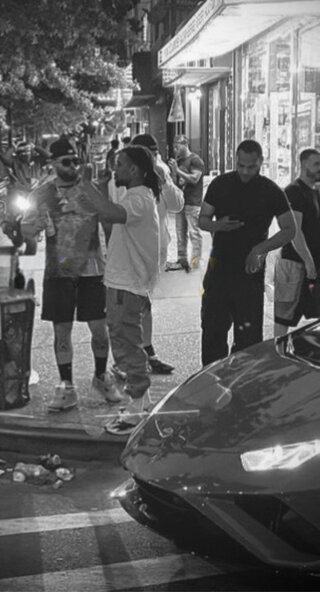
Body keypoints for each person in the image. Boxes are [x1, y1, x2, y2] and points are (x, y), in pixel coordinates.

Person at [21, 137, 120, 412]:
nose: (74, 166)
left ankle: (101, 376)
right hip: (59, 271)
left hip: (93, 269)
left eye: (77, 160)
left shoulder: (91, 189)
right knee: (61, 330)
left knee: (100, 330)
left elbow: (110, 220)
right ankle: (66, 386)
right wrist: (33, 228)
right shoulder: (40, 194)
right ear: (53, 163)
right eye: (67, 161)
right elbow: (26, 229)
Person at [78, 145, 161, 435]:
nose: (115, 169)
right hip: (121, 281)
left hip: (127, 284)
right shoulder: (135, 196)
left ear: (135, 170)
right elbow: (109, 220)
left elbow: (108, 212)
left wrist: (85, 183)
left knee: (126, 344)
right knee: (124, 340)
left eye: (120, 164)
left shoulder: (139, 198)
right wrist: (100, 187)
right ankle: (142, 402)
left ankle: (137, 406)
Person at [198, 139, 295, 365]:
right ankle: (211, 378)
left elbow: (290, 229)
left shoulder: (271, 191)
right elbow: (202, 220)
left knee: (248, 341)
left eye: (250, 167)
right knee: (212, 332)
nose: (244, 171)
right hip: (220, 268)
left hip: (250, 273)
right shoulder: (220, 184)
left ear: (260, 162)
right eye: (240, 165)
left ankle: (243, 380)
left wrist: (260, 249)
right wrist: (218, 225)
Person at [118, 133, 183, 374]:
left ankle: (145, 352)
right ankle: (129, 358)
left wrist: (165, 181)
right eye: (149, 154)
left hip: (154, 252)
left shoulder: (161, 172)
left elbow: (177, 205)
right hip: (130, 251)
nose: (154, 158)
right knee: (130, 306)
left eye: (155, 154)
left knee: (144, 304)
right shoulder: (124, 176)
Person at [274, 149, 320, 337]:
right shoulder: (294, 191)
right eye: (316, 164)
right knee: (284, 317)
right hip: (295, 264)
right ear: (303, 165)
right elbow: (295, 230)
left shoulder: (318, 191)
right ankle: (278, 350)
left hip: (318, 265)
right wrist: (308, 261)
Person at [167, 134, 205, 271]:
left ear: (185, 144)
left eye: (177, 147)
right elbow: (176, 182)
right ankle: (182, 261)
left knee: (194, 233)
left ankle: (195, 262)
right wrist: (173, 172)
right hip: (181, 202)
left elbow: (194, 179)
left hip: (192, 202)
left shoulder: (195, 160)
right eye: (174, 147)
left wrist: (177, 170)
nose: (175, 150)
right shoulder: (179, 161)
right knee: (180, 233)